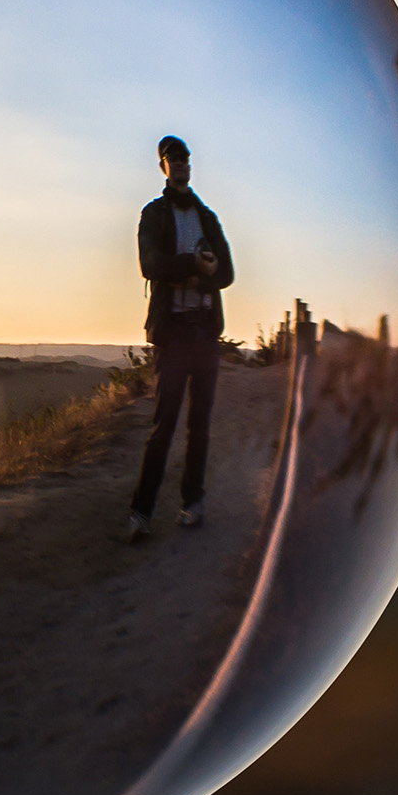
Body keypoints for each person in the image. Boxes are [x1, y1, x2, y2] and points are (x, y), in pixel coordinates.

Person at [129, 135, 235, 542]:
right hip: (173, 335)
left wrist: (202, 273)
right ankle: (141, 511)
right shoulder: (153, 214)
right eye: (173, 158)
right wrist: (193, 266)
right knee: (164, 425)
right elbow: (148, 264)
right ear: (163, 166)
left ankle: (192, 503)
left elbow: (227, 273)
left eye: (186, 158)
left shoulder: (207, 216)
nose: (182, 163)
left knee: (200, 426)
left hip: (204, 332)